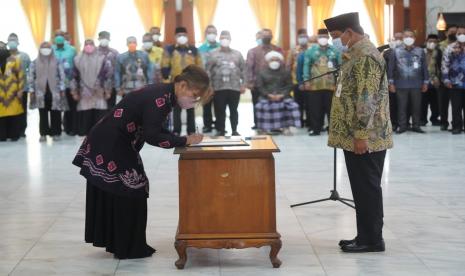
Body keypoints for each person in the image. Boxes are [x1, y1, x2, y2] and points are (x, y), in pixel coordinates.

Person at [72, 65, 209, 259]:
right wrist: (184, 140)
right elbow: (152, 135)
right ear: (183, 85)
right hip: (112, 142)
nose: (193, 101)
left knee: (129, 187)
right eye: (194, 96)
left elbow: (153, 128)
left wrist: (180, 138)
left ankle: (122, 243)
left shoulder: (165, 94)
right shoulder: (161, 99)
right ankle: (127, 247)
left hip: (114, 140)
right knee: (131, 186)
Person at [324, 12, 393, 253]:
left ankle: (372, 240)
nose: (336, 41)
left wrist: (361, 134)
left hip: (366, 136)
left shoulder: (365, 56)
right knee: (362, 188)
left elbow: (367, 97)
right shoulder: (355, 54)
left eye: (336, 36)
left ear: (350, 32)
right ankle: (365, 235)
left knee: (367, 187)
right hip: (358, 134)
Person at [161, 27, 203, 136]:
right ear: (175, 37)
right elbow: (164, 64)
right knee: (177, 108)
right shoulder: (169, 49)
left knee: (190, 108)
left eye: (184, 35)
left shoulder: (194, 50)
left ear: (187, 36)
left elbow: (200, 65)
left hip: (191, 84)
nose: (182, 37)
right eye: (179, 35)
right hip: (176, 84)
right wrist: (165, 76)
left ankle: (191, 130)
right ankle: (176, 130)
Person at [388, 29, 429, 134]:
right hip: (400, 84)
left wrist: (426, 82)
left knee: (416, 106)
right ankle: (402, 126)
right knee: (401, 106)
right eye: (406, 36)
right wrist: (391, 83)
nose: (409, 38)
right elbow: (391, 68)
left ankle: (416, 125)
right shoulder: (396, 51)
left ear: (414, 38)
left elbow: (425, 67)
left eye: (411, 36)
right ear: (402, 39)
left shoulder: (420, 51)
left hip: (417, 84)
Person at [206, 30, 246, 136]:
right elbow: (208, 71)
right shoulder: (213, 53)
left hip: (235, 88)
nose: (225, 40)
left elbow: (244, 70)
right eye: (223, 38)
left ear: (230, 40)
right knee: (220, 110)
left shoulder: (237, 54)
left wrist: (243, 84)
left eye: (227, 38)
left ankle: (234, 130)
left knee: (234, 110)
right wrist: (209, 86)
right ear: (219, 40)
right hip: (218, 88)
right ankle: (221, 130)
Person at [302, 29, 341, 136]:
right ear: (317, 38)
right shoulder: (311, 51)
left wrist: (339, 82)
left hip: (331, 85)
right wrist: (306, 80)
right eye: (320, 37)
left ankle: (332, 130)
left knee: (331, 108)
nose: (323, 38)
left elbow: (340, 66)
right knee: (315, 108)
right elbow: (306, 66)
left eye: (325, 36)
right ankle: (316, 129)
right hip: (315, 84)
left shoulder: (335, 50)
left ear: (328, 38)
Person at [29, 42, 68, 142]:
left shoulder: (57, 62)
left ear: (51, 49)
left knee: (56, 113)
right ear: (40, 49)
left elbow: (62, 76)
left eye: (48, 47)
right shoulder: (35, 62)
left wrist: (62, 89)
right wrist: (32, 90)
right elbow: (31, 77)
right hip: (40, 92)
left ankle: (56, 133)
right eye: (43, 47)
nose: (45, 49)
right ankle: (43, 134)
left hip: (55, 92)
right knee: (42, 114)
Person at [246, 29, 283, 130]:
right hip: (257, 83)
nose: (266, 37)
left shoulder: (277, 50)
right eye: (264, 35)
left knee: (274, 104)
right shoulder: (253, 51)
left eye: (268, 35)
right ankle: (258, 124)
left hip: (274, 82)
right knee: (257, 104)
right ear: (260, 37)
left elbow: (282, 65)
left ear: (272, 37)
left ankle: (275, 125)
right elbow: (249, 67)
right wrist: (250, 82)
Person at [255, 51, 300, 135]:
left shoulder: (285, 72)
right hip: (267, 97)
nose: (274, 62)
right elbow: (260, 87)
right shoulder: (262, 73)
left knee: (293, 106)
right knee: (260, 106)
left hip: (283, 96)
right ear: (268, 61)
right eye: (272, 60)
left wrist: (282, 95)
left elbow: (289, 85)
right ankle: (264, 129)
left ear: (280, 61)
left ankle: (286, 127)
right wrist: (268, 95)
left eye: (277, 60)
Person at [72, 39, 111, 136]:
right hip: (84, 91)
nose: (88, 46)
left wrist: (108, 90)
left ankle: (99, 133)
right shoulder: (77, 59)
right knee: (86, 113)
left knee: (99, 112)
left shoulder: (102, 58)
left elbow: (107, 76)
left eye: (91, 44)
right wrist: (74, 91)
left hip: (99, 90)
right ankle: (85, 133)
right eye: (86, 44)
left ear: (94, 45)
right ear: (83, 46)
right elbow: (73, 77)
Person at [53, 31, 77, 136]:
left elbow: (76, 65)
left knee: (70, 107)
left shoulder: (72, 50)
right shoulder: (51, 50)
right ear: (54, 37)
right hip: (55, 83)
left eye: (61, 35)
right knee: (56, 107)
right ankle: (57, 129)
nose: (59, 37)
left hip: (69, 82)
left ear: (64, 37)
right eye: (56, 35)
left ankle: (70, 128)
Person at [442, 26, 465, 134]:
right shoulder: (450, 47)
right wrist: (446, 80)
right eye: (459, 33)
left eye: (463, 33)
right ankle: (456, 126)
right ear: (456, 35)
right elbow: (445, 65)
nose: (462, 35)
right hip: (455, 83)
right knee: (456, 107)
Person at [287, 28, 311, 128]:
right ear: (297, 39)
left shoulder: (312, 49)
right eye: (301, 37)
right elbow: (288, 65)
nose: (303, 39)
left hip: (310, 82)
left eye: (305, 36)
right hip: (296, 81)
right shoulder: (293, 51)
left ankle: (310, 122)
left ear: (308, 37)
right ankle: (299, 122)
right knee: (298, 103)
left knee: (310, 104)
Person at [7, 33, 30, 138]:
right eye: (10, 40)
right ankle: (10, 131)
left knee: (22, 110)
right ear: (7, 42)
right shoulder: (4, 55)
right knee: (9, 110)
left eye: (14, 40)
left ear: (18, 42)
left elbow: (30, 70)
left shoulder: (24, 56)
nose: (12, 42)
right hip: (7, 90)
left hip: (22, 88)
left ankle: (22, 130)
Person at [0, 41, 24, 142]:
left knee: (14, 115)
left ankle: (14, 135)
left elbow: (21, 76)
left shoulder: (15, 60)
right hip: (0, 95)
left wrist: (20, 90)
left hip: (13, 93)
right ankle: (2, 136)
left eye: (2, 46)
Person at [198, 25, 220, 133]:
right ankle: (207, 125)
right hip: (205, 82)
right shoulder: (201, 49)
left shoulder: (221, 47)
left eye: (213, 32)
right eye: (209, 32)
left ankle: (219, 124)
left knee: (219, 105)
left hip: (219, 82)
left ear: (216, 34)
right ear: (206, 34)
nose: (211, 34)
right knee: (206, 104)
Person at [383, 32, 403, 131]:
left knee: (403, 104)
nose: (398, 40)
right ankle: (393, 123)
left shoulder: (405, 51)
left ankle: (404, 123)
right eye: (396, 38)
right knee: (392, 104)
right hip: (391, 82)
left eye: (400, 38)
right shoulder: (386, 52)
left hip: (403, 82)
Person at [439, 25, 458, 131]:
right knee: (444, 103)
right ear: (446, 33)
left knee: (457, 104)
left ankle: (457, 123)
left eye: (456, 32)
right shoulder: (441, 45)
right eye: (451, 32)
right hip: (443, 79)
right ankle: (444, 123)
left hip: (458, 81)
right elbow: (435, 62)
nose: (454, 34)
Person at [422, 34, 442, 126]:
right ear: (426, 42)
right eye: (430, 41)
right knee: (423, 102)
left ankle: (434, 118)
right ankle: (422, 119)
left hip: (435, 81)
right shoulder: (421, 52)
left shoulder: (439, 53)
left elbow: (441, 66)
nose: (432, 43)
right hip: (423, 81)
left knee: (435, 102)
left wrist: (438, 78)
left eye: (434, 42)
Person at [97, 31, 119, 108]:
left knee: (111, 108)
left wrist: (117, 85)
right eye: (102, 38)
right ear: (98, 39)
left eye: (106, 38)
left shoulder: (115, 52)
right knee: (99, 110)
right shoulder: (94, 52)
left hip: (111, 85)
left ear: (109, 39)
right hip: (97, 86)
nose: (104, 40)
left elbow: (118, 70)